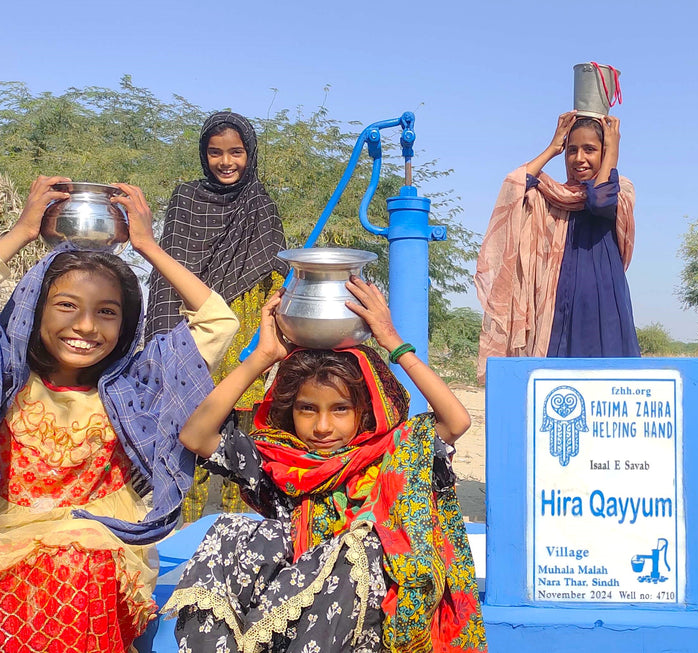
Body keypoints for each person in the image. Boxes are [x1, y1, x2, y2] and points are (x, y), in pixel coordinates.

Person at [0, 176, 239, 650]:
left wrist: (147, 245)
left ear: (127, 323)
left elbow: (219, 322)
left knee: (75, 550)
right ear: (35, 310)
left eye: (107, 312)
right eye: (67, 306)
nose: (85, 326)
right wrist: (24, 231)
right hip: (1, 525)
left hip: (94, 537)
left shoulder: (137, 385)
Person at [164, 277, 487, 652]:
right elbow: (196, 435)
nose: (322, 426)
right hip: (283, 617)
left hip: (363, 625)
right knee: (232, 531)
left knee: (363, 545)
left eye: (340, 409)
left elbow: (456, 421)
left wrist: (392, 341)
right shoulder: (278, 460)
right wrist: (264, 356)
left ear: (364, 411)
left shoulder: (394, 452)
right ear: (290, 409)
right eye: (307, 409)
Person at [146, 111, 290, 522]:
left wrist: (274, 327)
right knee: (187, 422)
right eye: (215, 153)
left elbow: (275, 272)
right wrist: (161, 334)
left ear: (250, 154)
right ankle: (176, 523)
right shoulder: (186, 199)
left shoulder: (260, 203)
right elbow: (166, 270)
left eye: (236, 152)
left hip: (244, 327)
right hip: (195, 325)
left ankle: (236, 524)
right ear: (203, 155)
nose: (226, 162)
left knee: (239, 434)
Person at [475, 110, 638, 381]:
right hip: (555, 309)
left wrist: (613, 151)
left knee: (609, 384)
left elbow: (598, 202)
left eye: (590, 149)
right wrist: (552, 147)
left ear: (605, 152)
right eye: (572, 150)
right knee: (557, 382)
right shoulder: (553, 194)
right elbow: (514, 186)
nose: (579, 158)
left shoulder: (619, 190)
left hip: (604, 304)